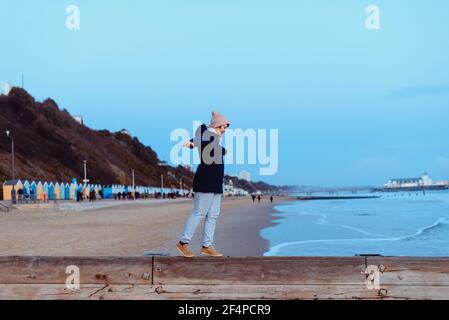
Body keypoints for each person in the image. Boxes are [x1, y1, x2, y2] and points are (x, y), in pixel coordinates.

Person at [177, 111, 230, 258]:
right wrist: (191, 143)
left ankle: (207, 246)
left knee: (213, 214)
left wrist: (222, 150)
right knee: (199, 212)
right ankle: (183, 243)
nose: (225, 130)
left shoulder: (216, 140)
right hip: (205, 181)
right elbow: (199, 140)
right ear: (217, 125)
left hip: (216, 183)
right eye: (224, 127)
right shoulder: (208, 135)